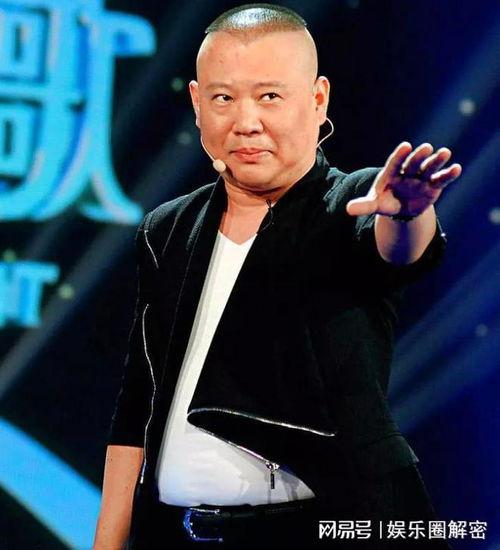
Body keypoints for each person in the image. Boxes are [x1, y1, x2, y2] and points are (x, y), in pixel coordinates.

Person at [93, 4, 462, 549]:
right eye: (223, 98)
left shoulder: (349, 203)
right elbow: (138, 403)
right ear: (196, 104)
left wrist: (407, 213)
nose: (246, 122)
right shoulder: (167, 229)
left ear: (318, 99)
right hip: (173, 533)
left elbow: (397, 249)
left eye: (269, 96)